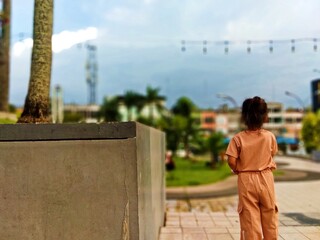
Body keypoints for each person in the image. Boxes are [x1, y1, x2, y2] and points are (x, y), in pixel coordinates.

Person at [226, 96, 278, 240]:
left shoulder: (238, 138)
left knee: (249, 216)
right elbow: (272, 153)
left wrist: (237, 168)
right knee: (269, 214)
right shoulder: (270, 137)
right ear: (265, 116)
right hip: (266, 177)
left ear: (244, 116)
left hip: (246, 178)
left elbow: (231, 160)